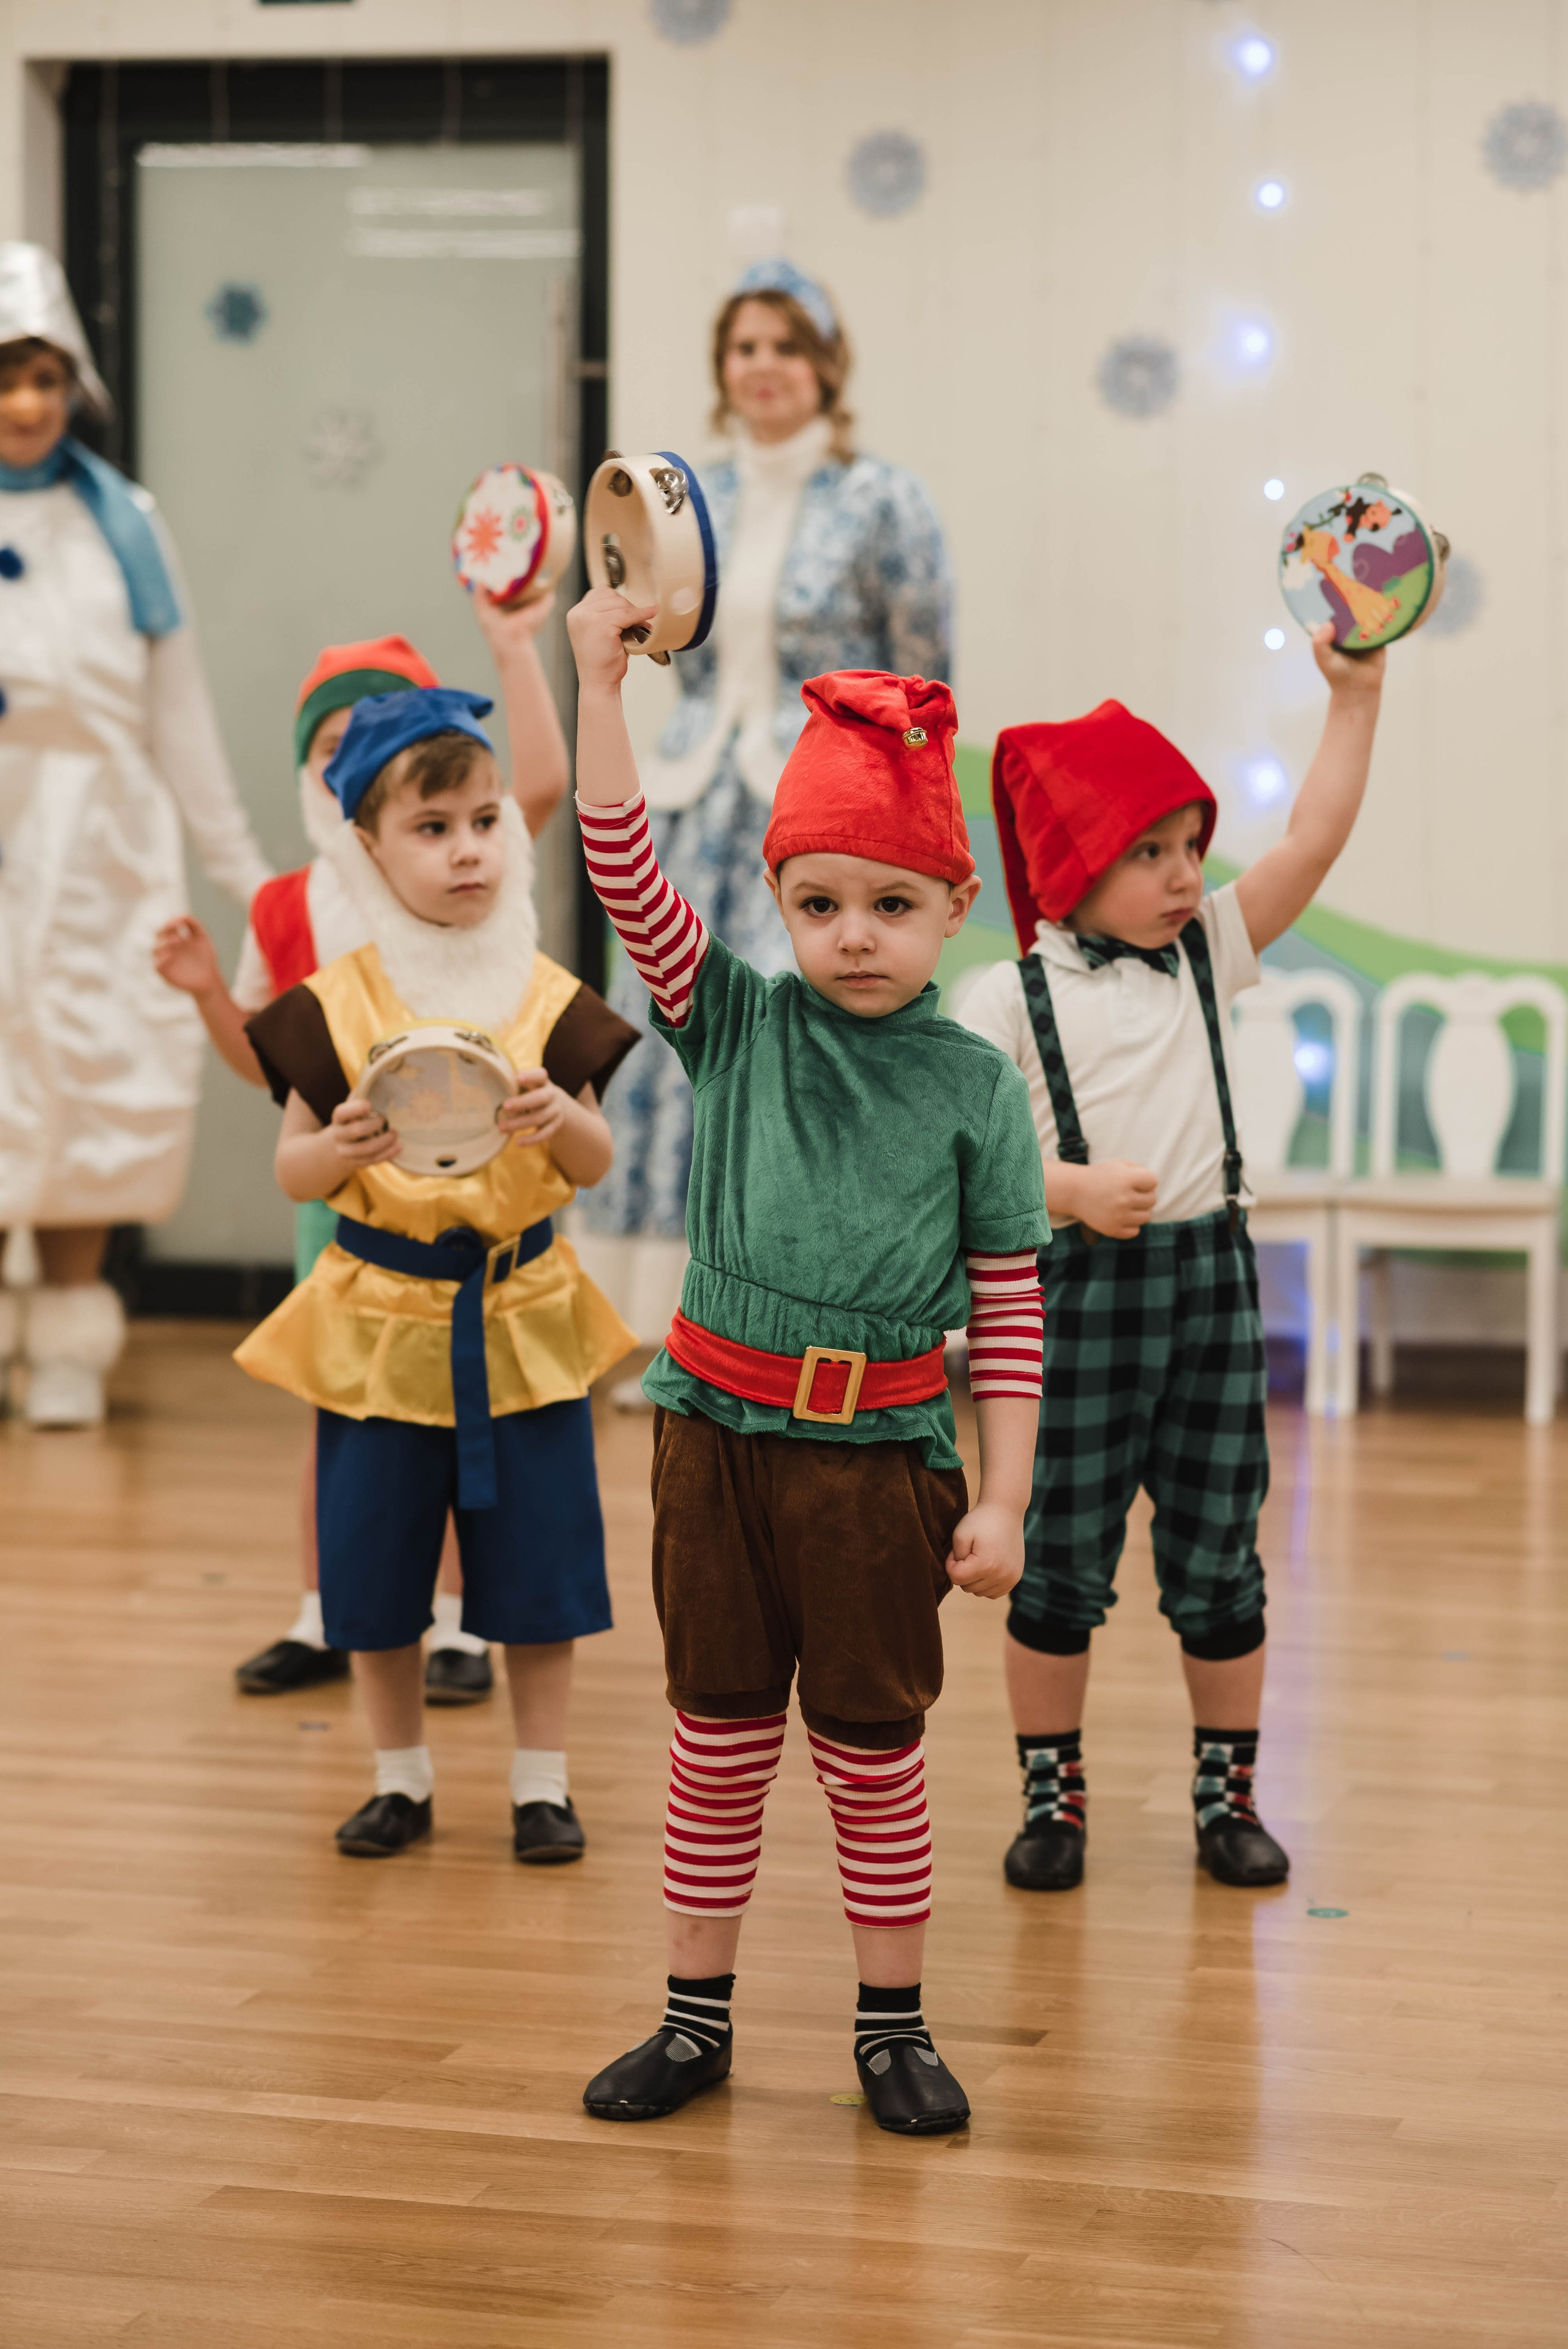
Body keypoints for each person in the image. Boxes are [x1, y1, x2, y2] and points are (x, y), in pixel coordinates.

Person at [568, 584, 1049, 2135]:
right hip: (712, 1439)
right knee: (713, 1737)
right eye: (823, 900)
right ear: (780, 900)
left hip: (879, 1469)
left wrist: (1004, 1501)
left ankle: (891, 2028)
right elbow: (622, 865)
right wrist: (597, 680)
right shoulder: (737, 1020)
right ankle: (692, 2020)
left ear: (949, 911)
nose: (856, 934)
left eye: (893, 906)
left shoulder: (975, 1087)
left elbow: (1010, 1309)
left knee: (870, 1753)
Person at [955, 625, 1384, 1895]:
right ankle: (1050, 1790)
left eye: (1188, 846)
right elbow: (960, 1172)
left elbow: (1307, 838)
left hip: (1209, 1293)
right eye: (1147, 851)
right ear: (1068, 862)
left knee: (1218, 1554)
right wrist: (1066, 1190)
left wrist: (1353, 696)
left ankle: (1224, 1787)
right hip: (1068, 1305)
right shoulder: (1001, 999)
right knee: (1055, 1556)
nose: (1183, 874)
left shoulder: (1206, 951)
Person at [231, 685, 638, 1862]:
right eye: (432, 828)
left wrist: (561, 1115)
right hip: (379, 1325)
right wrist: (332, 1148)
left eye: (485, 821)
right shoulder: (335, 1004)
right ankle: (399, 1776)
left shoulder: (548, 995)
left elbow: (597, 1162)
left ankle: (542, 1782)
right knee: (375, 1564)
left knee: (541, 1564)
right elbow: (293, 1174)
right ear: (367, 846)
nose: (467, 850)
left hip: (524, 1315)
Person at [156, 595, 571, 1703]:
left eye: (373, 731)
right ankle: (328, 1610)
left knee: (462, 1408)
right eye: (332, 742)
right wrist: (208, 995)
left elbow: (537, 786)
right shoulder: (290, 906)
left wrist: (515, 644)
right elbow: (273, 1070)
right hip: (343, 1201)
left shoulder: (470, 873)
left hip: (479, 1213)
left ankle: (453, 1622)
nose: (351, 753)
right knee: (349, 1410)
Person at [579, 257, 953, 1369]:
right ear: (720, 368)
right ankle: (660, 1325)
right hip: (698, 802)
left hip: (822, 813)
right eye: (744, 347)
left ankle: (778, 1309)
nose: (764, 367)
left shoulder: (885, 499)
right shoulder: (695, 497)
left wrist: (909, 820)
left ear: (826, 365)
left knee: (786, 1049)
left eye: (786, 345)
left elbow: (928, 676)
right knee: (665, 1039)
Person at [0, 243, 269, 1425]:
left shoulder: (126, 524)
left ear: (75, 386)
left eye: (45, 377)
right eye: (5, 377)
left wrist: (252, 878)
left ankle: (67, 1338)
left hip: (102, 838)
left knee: (92, 1071)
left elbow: (181, 718)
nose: (25, 403)